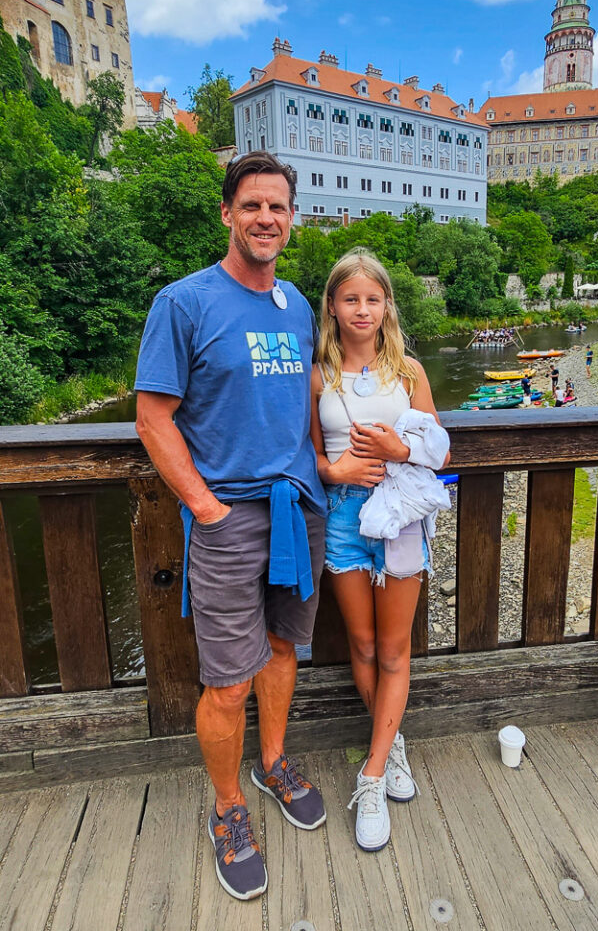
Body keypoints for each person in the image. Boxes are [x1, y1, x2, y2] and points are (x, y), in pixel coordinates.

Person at [134, 151, 327, 902]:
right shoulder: (185, 303)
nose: (266, 219)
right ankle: (229, 808)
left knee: (283, 647)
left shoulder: (300, 305)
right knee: (225, 680)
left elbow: (306, 398)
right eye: (251, 206)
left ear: (291, 218)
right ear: (226, 214)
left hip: (296, 510)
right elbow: (153, 419)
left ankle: (272, 761)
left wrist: (319, 466)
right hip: (227, 519)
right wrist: (207, 510)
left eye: (278, 207)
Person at [310, 251, 450, 853]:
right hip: (343, 519)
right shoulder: (318, 375)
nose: (362, 310)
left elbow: (439, 451)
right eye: (350, 299)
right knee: (361, 645)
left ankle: (371, 776)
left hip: (399, 516)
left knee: (394, 649)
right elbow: (308, 457)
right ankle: (389, 746)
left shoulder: (409, 370)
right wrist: (335, 468)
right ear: (333, 307)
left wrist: (399, 450)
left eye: (372, 299)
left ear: (386, 305)